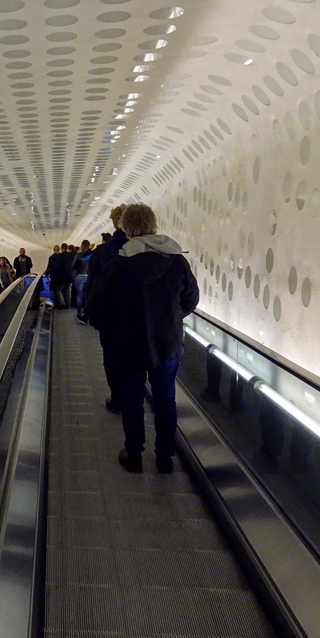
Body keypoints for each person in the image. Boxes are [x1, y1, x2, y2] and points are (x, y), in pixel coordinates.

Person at [88, 203, 199, 474]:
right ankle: (164, 457)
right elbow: (191, 300)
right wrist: (169, 321)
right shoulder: (177, 260)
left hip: (128, 344)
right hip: (167, 344)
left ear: (125, 228)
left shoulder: (118, 264)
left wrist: (113, 331)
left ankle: (134, 453)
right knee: (165, 398)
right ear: (153, 224)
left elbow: (97, 308)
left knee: (132, 399)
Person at [84, 205, 130, 403]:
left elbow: (92, 286)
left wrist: (94, 317)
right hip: (141, 317)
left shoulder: (103, 251)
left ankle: (118, 397)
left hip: (111, 317)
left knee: (112, 358)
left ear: (114, 222)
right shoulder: (151, 250)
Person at [44, 245, 72, 309]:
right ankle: (66, 304)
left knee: (56, 290)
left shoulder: (51, 257)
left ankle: (60, 304)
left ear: (53, 250)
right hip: (61, 276)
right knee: (62, 290)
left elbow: (50, 267)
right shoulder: (61, 257)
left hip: (54, 276)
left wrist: (46, 272)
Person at [73, 239, 93, 321]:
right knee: (87, 295)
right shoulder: (91, 255)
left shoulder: (79, 255)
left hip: (79, 276)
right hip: (88, 276)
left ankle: (79, 313)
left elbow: (74, 266)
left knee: (79, 296)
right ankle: (86, 311)